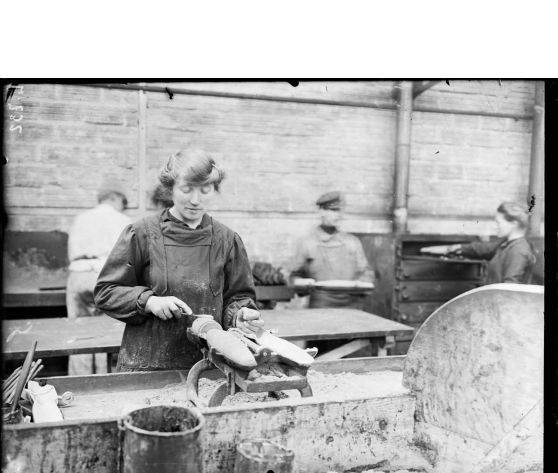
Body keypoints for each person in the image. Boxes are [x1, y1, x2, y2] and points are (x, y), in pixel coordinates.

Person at [94, 148, 263, 372]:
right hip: (148, 366)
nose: (195, 200)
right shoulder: (142, 234)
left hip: (209, 367)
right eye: (186, 189)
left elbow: (239, 297)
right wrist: (149, 301)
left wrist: (240, 316)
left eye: (205, 190)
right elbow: (106, 292)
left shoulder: (227, 240)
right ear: (170, 188)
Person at [66, 187, 131, 375]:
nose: (123, 208)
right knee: (106, 332)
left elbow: (72, 251)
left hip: (80, 273)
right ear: (115, 198)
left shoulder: (81, 218)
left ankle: (78, 383)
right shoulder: (123, 221)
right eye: (122, 203)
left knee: (78, 332)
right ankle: (103, 380)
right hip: (107, 275)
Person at [290, 191, 374, 309]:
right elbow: (293, 276)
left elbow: (366, 272)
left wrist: (361, 283)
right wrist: (304, 284)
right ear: (321, 212)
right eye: (333, 211)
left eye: (340, 211)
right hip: (322, 305)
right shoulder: (308, 243)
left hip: (351, 305)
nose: (338, 215)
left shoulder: (352, 242)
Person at [420, 201, 536, 284]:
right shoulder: (506, 244)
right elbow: (483, 249)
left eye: (498, 222)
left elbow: (510, 288)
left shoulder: (518, 250)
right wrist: (454, 247)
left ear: (513, 223)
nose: (495, 227)